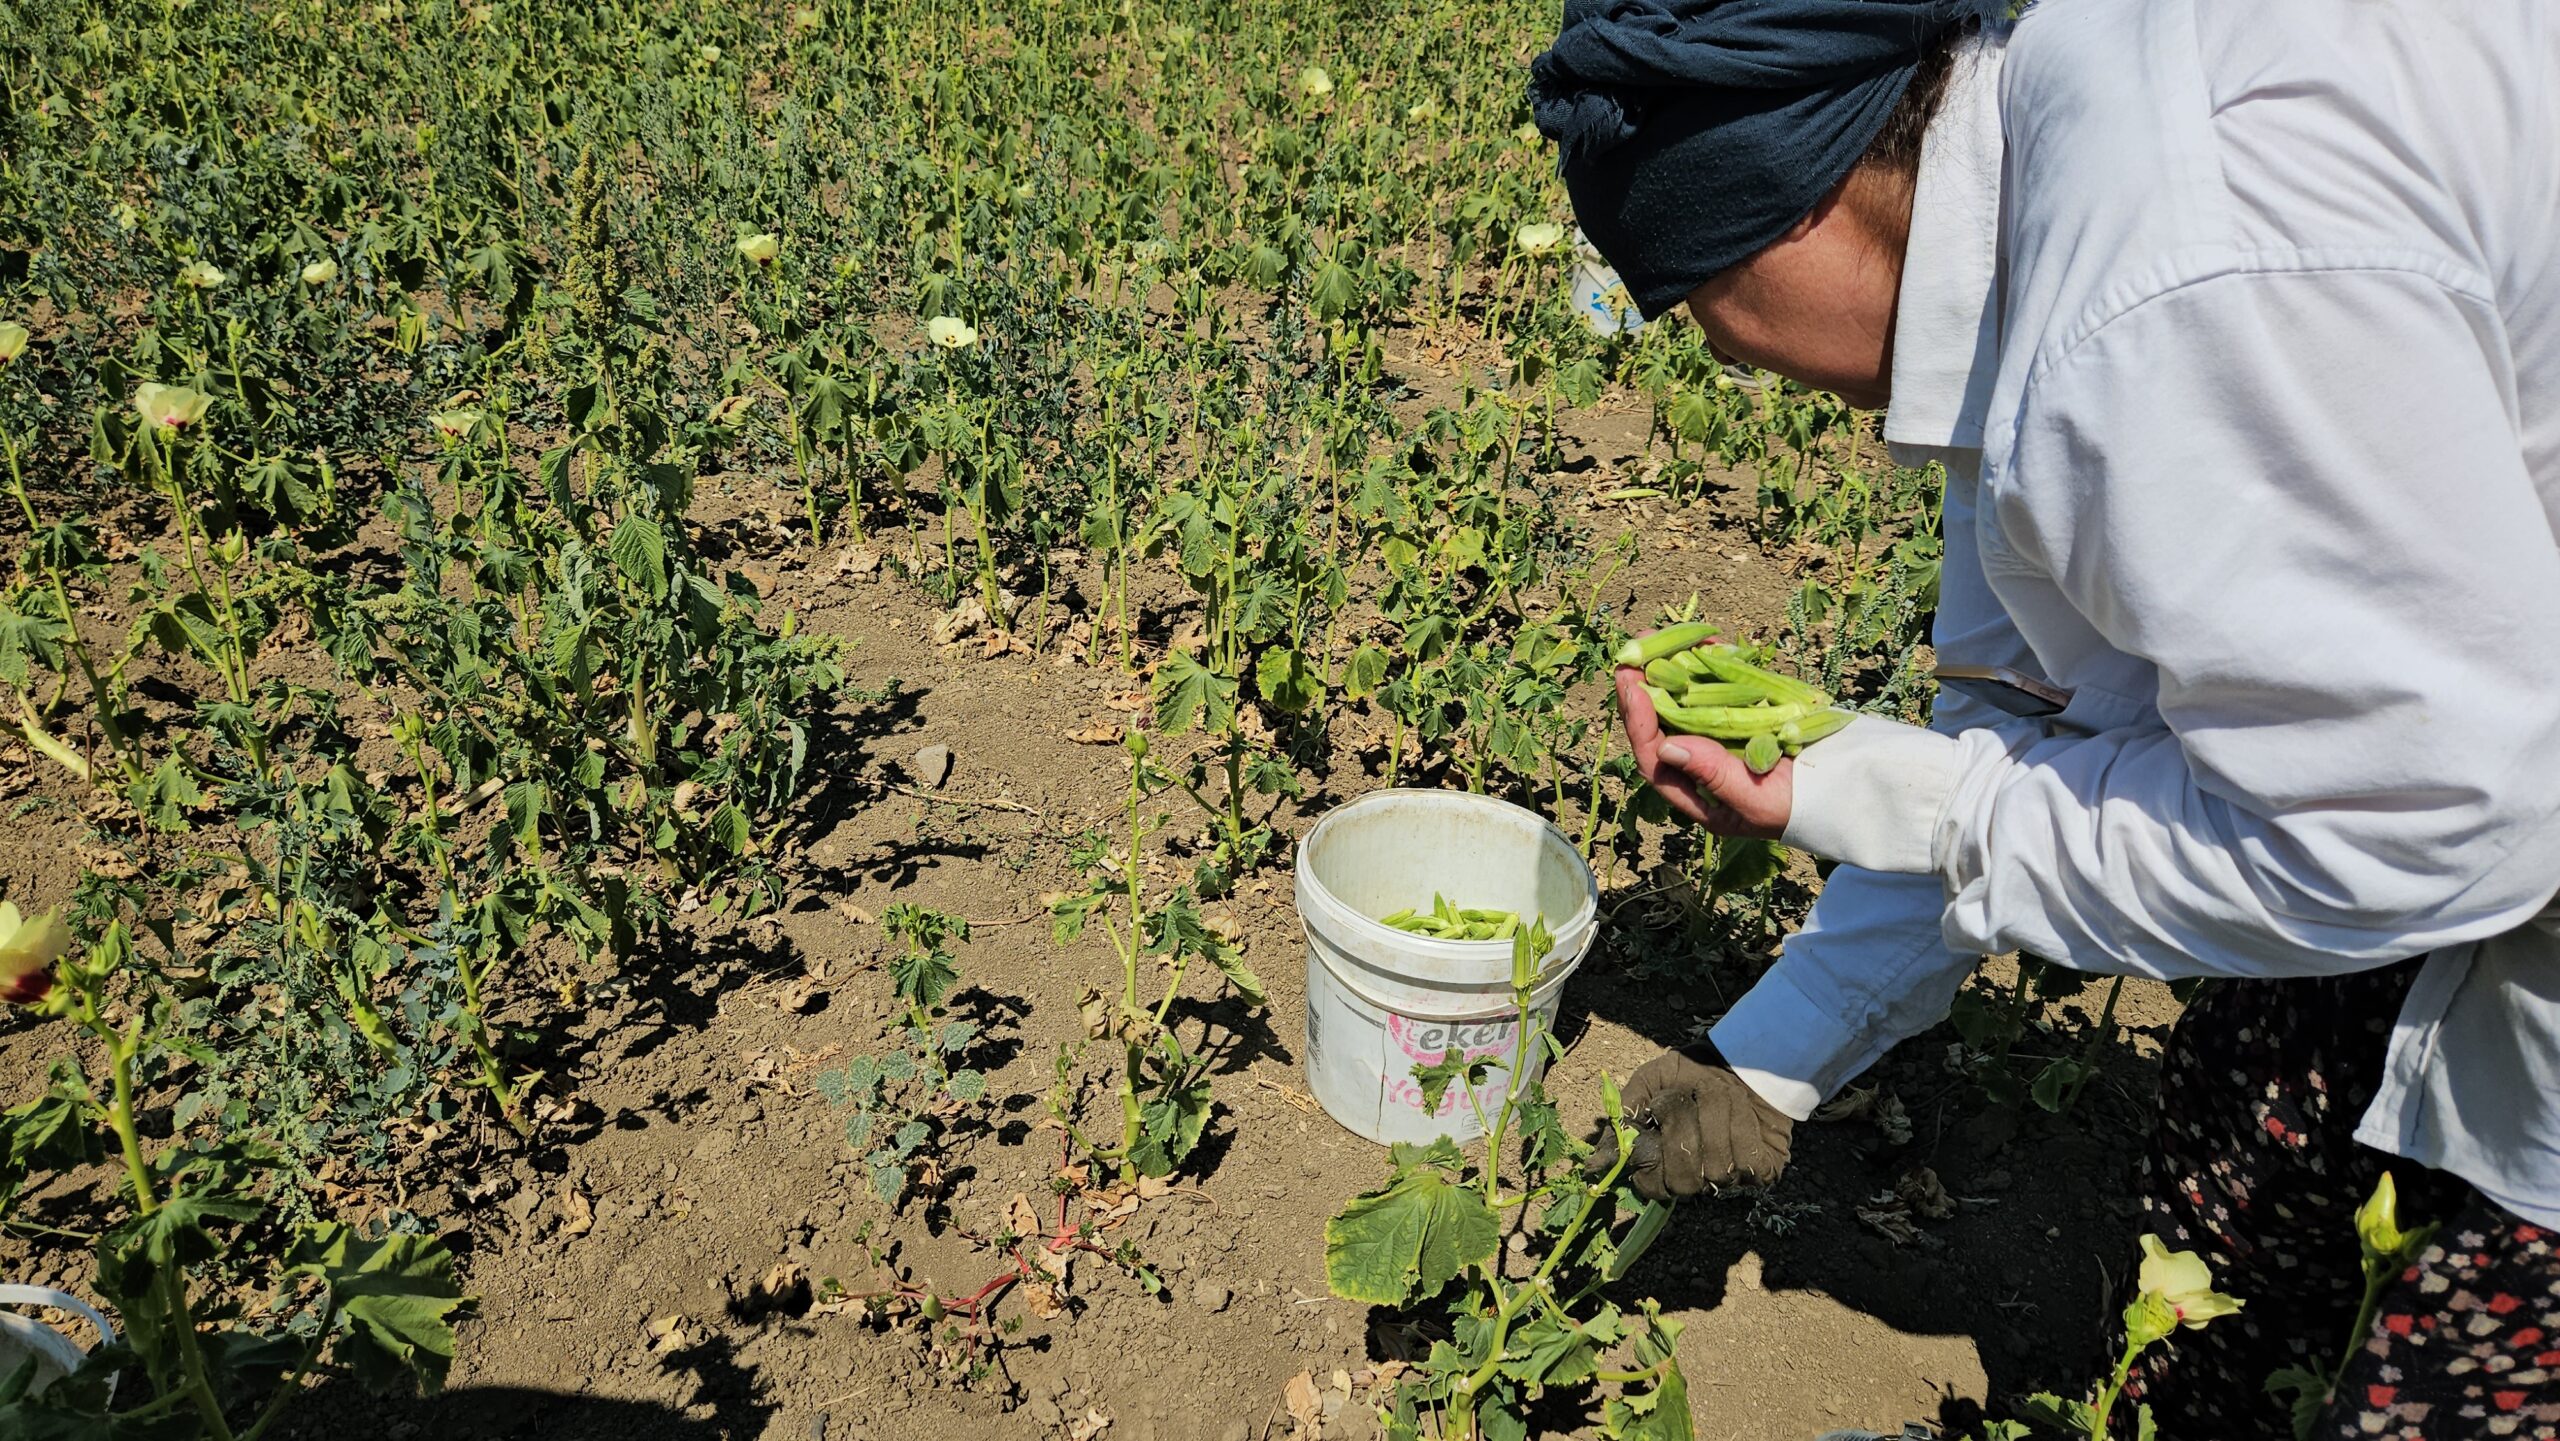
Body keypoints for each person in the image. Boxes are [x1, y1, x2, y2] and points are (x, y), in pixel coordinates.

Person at [1532, 0, 2560, 1438]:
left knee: (2450, 1376)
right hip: (2453, 734)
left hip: (2486, 821)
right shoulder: (2052, 173)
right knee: (2230, 1200)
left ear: (1795, 208)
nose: (1718, 354)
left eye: (1690, 296)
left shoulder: (2155, 301)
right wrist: (1776, 1050)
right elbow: (2025, 721)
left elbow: (2441, 825)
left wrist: (1926, 806)